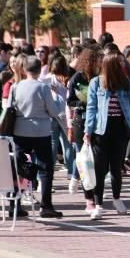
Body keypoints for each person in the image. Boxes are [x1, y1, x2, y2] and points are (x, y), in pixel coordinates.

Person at [84, 49, 130, 220]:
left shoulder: (125, 83)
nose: (124, 65)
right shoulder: (96, 83)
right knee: (100, 169)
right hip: (101, 130)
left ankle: (116, 198)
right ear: (112, 65)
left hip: (120, 129)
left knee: (116, 167)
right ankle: (98, 204)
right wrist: (88, 131)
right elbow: (91, 108)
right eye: (121, 62)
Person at [11, 56, 65, 218]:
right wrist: (59, 99)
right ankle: (46, 205)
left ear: (24, 69)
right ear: (40, 68)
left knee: (18, 166)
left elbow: (9, 108)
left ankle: (15, 204)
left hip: (20, 130)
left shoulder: (16, 86)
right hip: (41, 130)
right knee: (45, 168)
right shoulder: (43, 88)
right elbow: (54, 111)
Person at [67, 46, 101, 195]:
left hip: (98, 120)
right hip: (81, 119)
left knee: (96, 156)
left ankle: (93, 186)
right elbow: (70, 101)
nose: (99, 63)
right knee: (83, 154)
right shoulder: (77, 78)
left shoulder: (100, 77)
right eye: (96, 60)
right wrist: (84, 102)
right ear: (88, 61)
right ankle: (83, 185)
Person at [44, 56, 76, 187]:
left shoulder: (48, 79)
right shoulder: (68, 80)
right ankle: (70, 170)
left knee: (53, 144)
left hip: (52, 114)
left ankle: (50, 171)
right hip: (65, 115)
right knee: (68, 144)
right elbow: (69, 98)